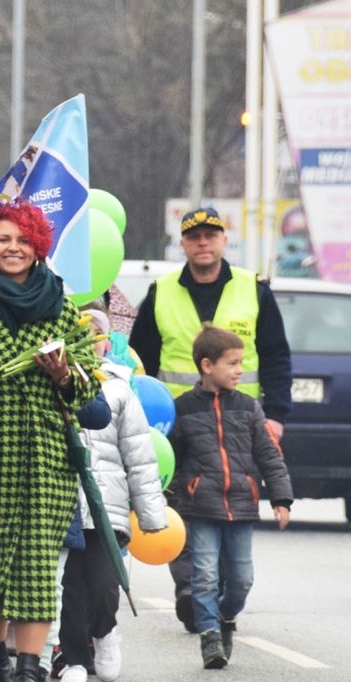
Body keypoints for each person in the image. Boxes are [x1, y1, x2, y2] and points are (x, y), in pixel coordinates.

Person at [0, 198, 100, 682]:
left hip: (44, 454)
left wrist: (63, 373)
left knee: (36, 566)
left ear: (39, 247)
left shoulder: (64, 305)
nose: (13, 248)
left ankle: (29, 677)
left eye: (23, 240)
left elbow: (86, 392)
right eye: (4, 239)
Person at [129, 206, 292, 632]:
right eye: (194, 236)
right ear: (183, 243)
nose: (203, 242)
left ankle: (220, 598)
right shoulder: (161, 291)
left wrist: (275, 415)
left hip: (239, 423)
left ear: (223, 241)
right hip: (174, 426)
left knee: (229, 507)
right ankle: (191, 590)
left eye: (211, 234)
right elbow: (139, 359)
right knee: (181, 504)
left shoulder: (252, 289)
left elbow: (276, 355)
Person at [55, 308, 168, 682]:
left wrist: (151, 514)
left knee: (103, 584)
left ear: (107, 342)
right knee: (68, 588)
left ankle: (105, 631)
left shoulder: (120, 390)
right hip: (62, 505)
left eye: (95, 335)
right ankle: (73, 660)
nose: (88, 341)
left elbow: (139, 455)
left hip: (107, 508)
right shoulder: (51, 383)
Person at [168, 326, 293, 669]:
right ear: (207, 366)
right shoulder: (183, 409)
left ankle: (225, 617)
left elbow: (269, 455)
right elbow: (171, 460)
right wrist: (172, 499)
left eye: (241, 363)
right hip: (201, 508)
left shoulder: (249, 408)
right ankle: (209, 635)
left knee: (241, 579)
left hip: (241, 505)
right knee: (204, 575)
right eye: (233, 363)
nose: (240, 370)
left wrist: (281, 499)